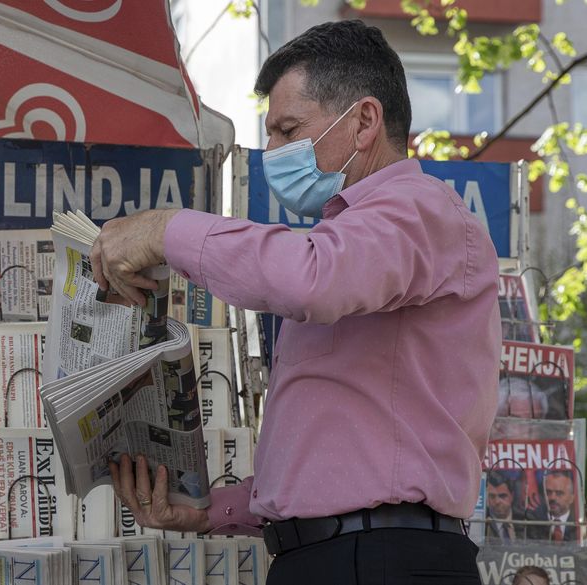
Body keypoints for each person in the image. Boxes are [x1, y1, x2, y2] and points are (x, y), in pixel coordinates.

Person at [90, 19, 501, 584]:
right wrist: (213, 510)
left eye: (288, 130)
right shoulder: (352, 242)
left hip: (385, 558)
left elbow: (311, 278)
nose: (271, 153)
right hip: (337, 556)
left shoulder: (418, 210)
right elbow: (338, 462)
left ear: (364, 121)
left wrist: (167, 230)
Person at [527, 470, 579, 542]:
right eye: (548, 492)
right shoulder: (533, 518)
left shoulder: (579, 521)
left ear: (571, 498)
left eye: (559, 493)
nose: (552, 498)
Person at [485, 471, 526, 542]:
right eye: (492, 496)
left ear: (512, 496)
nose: (497, 501)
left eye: (502, 496)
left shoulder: (525, 519)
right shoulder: (483, 524)